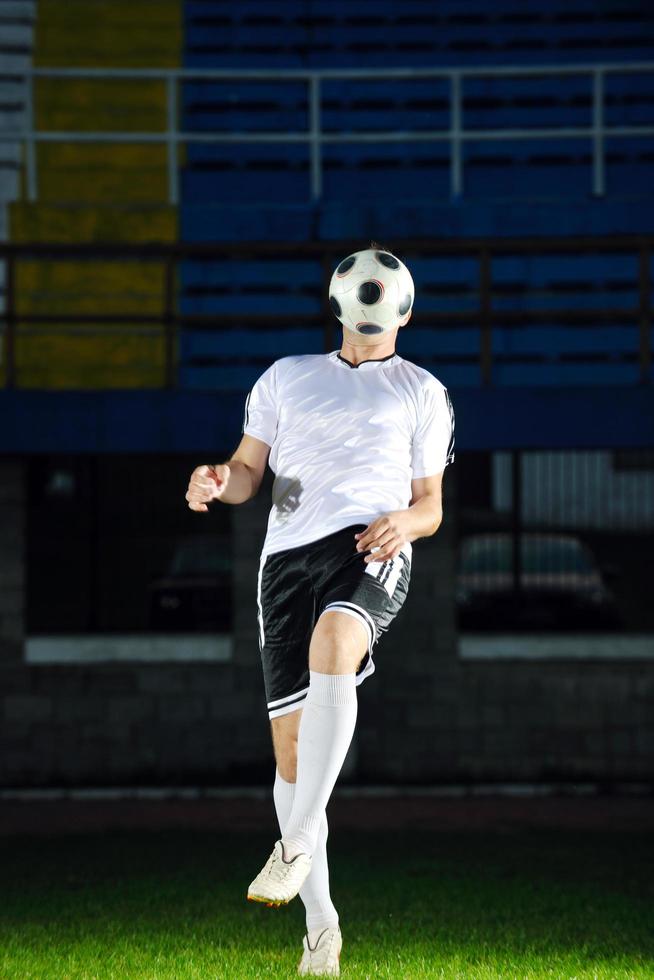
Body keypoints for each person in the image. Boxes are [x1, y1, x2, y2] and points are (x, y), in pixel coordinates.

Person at [185, 247, 455, 976]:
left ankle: (298, 837)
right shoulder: (286, 377)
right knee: (290, 754)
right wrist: (217, 479)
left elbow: (430, 506)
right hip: (286, 564)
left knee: (338, 641)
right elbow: (247, 474)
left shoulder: (422, 390)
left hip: (371, 545)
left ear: (403, 307)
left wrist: (406, 523)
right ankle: (323, 930)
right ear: (339, 299)